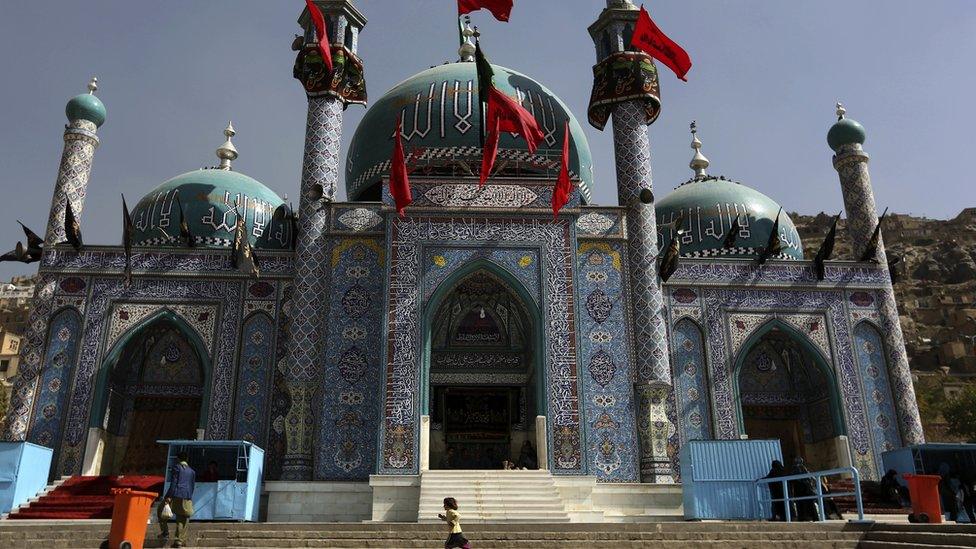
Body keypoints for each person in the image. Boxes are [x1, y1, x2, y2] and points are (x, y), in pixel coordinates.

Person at [158, 451, 196, 548]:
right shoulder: (192, 471)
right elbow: (192, 486)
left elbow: (174, 483)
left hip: (176, 495)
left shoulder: (177, 468)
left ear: (178, 459)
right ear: (186, 459)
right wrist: (189, 497)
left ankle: (165, 532)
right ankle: (179, 541)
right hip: (187, 496)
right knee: (182, 518)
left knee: (160, 510)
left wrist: (168, 496)